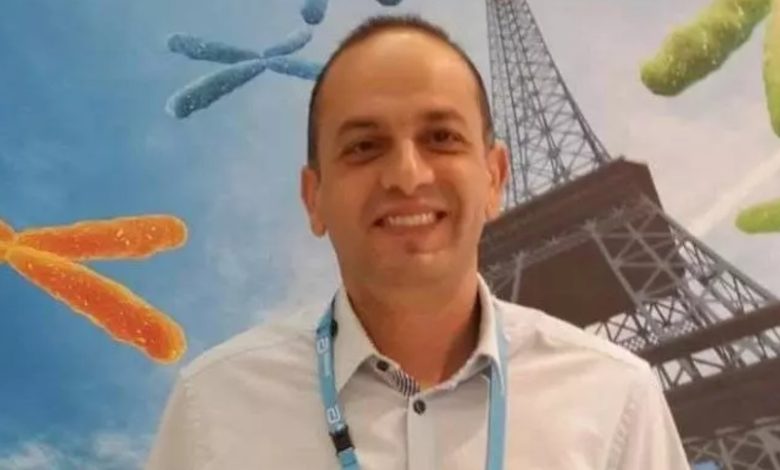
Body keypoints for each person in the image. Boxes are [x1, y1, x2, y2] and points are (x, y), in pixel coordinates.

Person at [146, 14, 690, 469]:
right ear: (314, 198)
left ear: (495, 178)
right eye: (364, 146)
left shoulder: (618, 399)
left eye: (441, 138)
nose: (407, 176)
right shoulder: (212, 409)